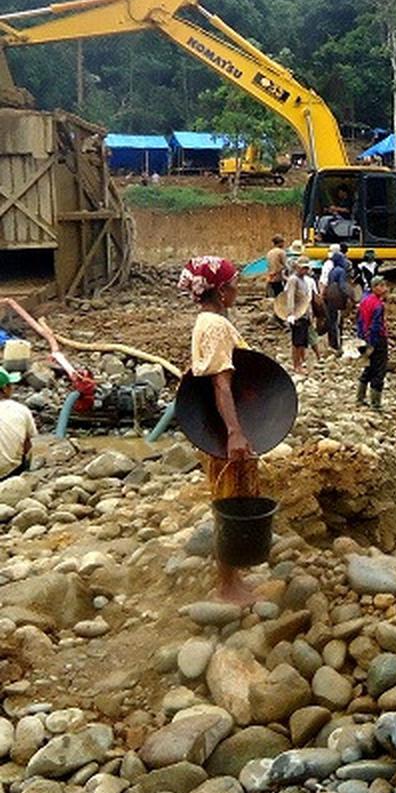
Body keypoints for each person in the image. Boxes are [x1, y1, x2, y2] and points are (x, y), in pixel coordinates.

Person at [178, 256, 258, 606]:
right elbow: (221, 383)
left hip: (217, 426)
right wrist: (235, 432)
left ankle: (233, 576)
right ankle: (227, 585)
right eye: (234, 284)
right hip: (226, 430)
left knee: (229, 498)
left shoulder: (207, 321)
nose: (238, 289)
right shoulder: (215, 326)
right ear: (222, 291)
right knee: (230, 500)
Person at [357, 275, 389, 408]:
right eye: (382, 286)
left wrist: (362, 337)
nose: (385, 289)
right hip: (377, 340)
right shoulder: (378, 305)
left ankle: (360, 397)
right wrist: (374, 343)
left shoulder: (365, 301)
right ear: (375, 287)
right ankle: (375, 402)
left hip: (364, 338)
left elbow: (359, 321)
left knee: (368, 367)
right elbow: (376, 325)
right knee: (379, 370)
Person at [0, 368, 35, 480]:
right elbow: (27, 445)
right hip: (10, 472)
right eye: (11, 385)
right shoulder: (21, 409)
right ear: (5, 389)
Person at [284, 257, 315, 373]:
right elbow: (290, 297)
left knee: (302, 342)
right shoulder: (293, 280)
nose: (305, 270)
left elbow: (306, 298)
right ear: (297, 267)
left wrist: (310, 314)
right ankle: (296, 365)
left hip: (304, 313)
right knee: (297, 342)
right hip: (297, 314)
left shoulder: (304, 280)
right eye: (303, 268)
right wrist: (291, 314)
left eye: (306, 268)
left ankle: (301, 363)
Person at [321, 247, 352, 353]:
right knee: (337, 323)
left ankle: (332, 343)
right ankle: (338, 346)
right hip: (337, 300)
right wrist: (349, 295)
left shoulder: (332, 271)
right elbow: (342, 286)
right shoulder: (341, 271)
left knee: (331, 320)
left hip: (330, 298)